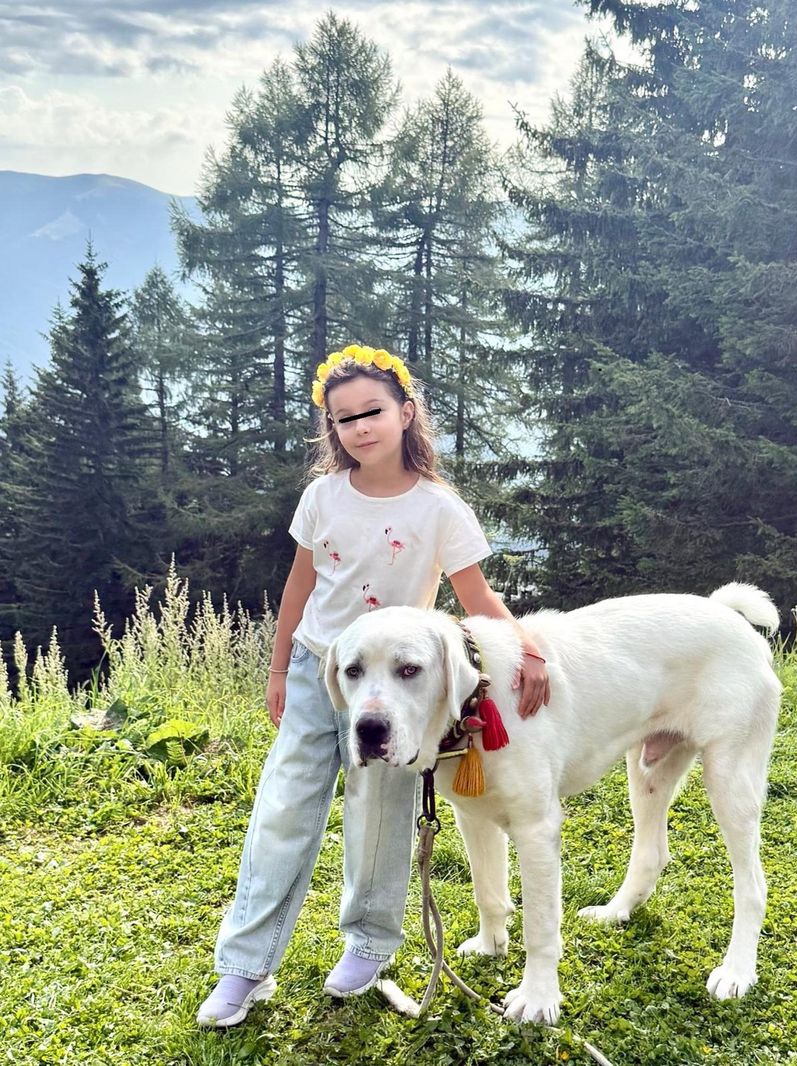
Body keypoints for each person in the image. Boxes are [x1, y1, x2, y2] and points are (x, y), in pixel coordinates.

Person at [197, 343, 550, 1027]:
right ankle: (245, 967)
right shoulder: (322, 496)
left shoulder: (440, 508)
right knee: (283, 808)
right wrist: (279, 668)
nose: (360, 427)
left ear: (405, 412)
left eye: (373, 411)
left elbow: (476, 596)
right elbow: (300, 585)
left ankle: (368, 944)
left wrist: (529, 650)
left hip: (400, 685)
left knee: (381, 815)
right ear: (331, 428)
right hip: (320, 671)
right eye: (344, 418)